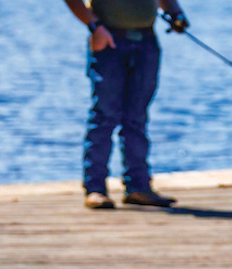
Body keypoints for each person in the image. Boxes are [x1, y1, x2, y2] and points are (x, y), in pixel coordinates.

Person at [63, 0, 189, 210]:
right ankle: (95, 189)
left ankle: (138, 188)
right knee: (104, 116)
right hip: (109, 39)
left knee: (137, 117)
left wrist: (176, 13)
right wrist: (95, 27)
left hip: (146, 41)